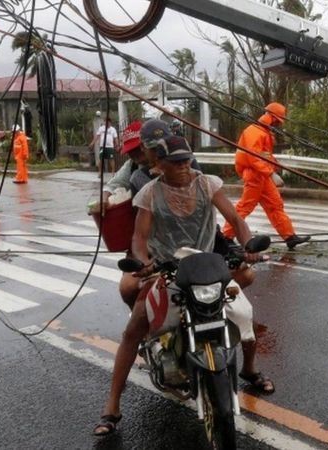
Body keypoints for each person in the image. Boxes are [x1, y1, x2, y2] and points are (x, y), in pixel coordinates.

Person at [93, 135, 274, 437]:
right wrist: (143, 261)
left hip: (207, 266)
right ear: (159, 165)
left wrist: (247, 246)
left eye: (187, 159)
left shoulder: (207, 184)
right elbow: (139, 238)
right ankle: (111, 407)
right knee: (134, 327)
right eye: (176, 161)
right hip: (168, 269)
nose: (184, 166)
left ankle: (249, 369)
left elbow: (235, 218)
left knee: (244, 315)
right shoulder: (150, 194)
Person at [222, 102, 310, 250]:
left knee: (275, 206)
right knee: (245, 207)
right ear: (271, 116)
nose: (278, 124)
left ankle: (289, 237)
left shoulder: (262, 132)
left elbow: (264, 155)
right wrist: (271, 173)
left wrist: (273, 167)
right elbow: (253, 157)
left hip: (262, 175)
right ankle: (226, 237)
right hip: (255, 175)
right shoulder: (255, 132)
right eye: (277, 120)